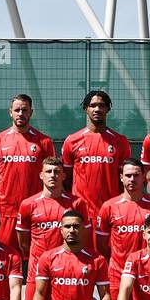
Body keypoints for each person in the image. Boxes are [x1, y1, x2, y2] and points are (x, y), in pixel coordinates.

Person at [97, 158, 150, 300]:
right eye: (128, 175)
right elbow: (102, 246)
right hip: (118, 274)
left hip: (149, 276)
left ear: (144, 177)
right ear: (121, 177)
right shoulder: (109, 207)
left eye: (136, 175)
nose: (132, 179)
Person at [16, 159, 89, 300]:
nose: (53, 175)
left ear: (64, 175)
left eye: (57, 172)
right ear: (41, 175)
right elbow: (23, 242)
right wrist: (40, 259)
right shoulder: (28, 204)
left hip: (67, 273)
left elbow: (84, 237)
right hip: (36, 271)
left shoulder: (77, 203)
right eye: (48, 172)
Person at [0, 93, 57, 252]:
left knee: (37, 256)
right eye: (17, 110)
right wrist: (2, 197)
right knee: (5, 256)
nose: (20, 114)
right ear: (10, 112)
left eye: (24, 110)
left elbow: (52, 174)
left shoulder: (44, 141)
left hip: (36, 210)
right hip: (6, 210)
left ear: (31, 112)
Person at [61, 90, 132, 218]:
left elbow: (125, 179)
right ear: (85, 109)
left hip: (112, 213)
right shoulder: (72, 140)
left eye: (101, 105)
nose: (97, 109)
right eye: (93, 105)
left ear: (108, 109)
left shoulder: (120, 141)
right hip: (81, 214)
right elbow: (66, 179)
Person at [31, 211, 108, 300]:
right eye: (67, 226)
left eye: (76, 226)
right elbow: (39, 292)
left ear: (84, 230)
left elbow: (105, 294)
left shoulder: (98, 260)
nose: (71, 230)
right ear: (61, 231)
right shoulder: (47, 257)